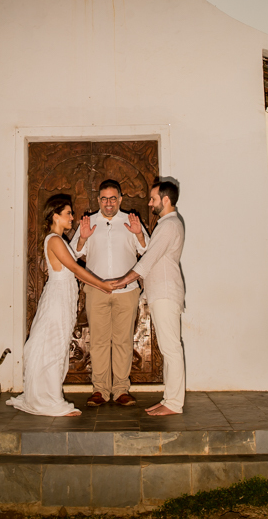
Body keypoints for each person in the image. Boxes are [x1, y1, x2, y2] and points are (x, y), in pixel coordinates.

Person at [8, 193, 116, 417]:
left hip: (62, 296)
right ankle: (48, 400)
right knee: (53, 345)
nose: (72, 217)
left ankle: (47, 395)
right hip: (57, 297)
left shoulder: (58, 240)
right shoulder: (55, 240)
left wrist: (83, 238)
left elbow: (72, 259)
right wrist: (102, 285)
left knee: (56, 345)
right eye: (68, 213)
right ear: (55, 215)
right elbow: (76, 269)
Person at [108, 178, 185, 415]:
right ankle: (169, 398)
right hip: (161, 292)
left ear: (165, 199)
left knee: (171, 348)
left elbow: (148, 260)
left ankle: (174, 403)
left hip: (165, 292)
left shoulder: (169, 225)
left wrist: (121, 281)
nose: (150, 204)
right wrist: (139, 234)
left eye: (153, 199)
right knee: (169, 347)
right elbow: (152, 251)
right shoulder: (168, 224)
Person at [73, 179, 148, 408]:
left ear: (120, 199)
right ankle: (100, 390)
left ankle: (121, 390)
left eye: (113, 198)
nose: (108, 203)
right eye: (104, 198)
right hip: (96, 291)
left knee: (123, 341)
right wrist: (83, 237)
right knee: (98, 341)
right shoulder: (89, 222)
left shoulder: (131, 221)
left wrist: (139, 235)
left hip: (127, 291)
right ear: (98, 200)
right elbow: (75, 254)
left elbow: (148, 251)